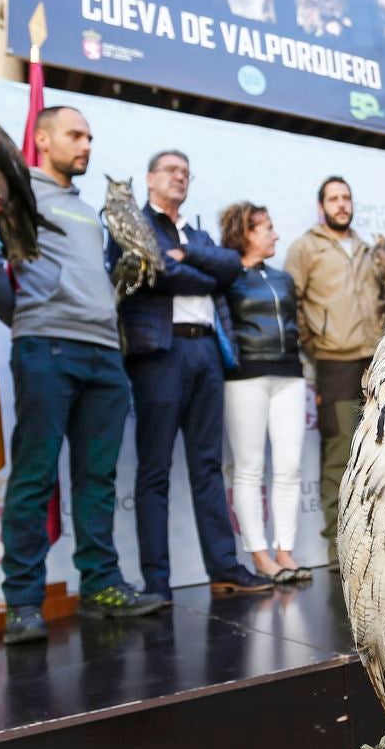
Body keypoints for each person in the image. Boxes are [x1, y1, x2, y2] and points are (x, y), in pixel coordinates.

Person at [0, 107, 165, 644]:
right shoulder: (17, 190)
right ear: (42, 139)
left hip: (103, 353)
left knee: (97, 479)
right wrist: (28, 313)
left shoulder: (87, 211)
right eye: (75, 135)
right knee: (34, 475)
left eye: (90, 137)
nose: (86, 145)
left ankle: (101, 587)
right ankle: (23, 602)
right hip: (46, 346)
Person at [115, 150, 273, 604]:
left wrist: (191, 258)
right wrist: (201, 271)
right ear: (149, 178)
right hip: (159, 353)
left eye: (186, 171)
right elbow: (157, 272)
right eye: (171, 170)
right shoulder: (133, 223)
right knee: (155, 469)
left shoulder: (198, 234)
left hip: (207, 351)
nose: (180, 177)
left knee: (207, 467)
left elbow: (231, 266)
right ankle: (157, 583)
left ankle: (225, 568)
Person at [284, 176, 385, 563]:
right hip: (333, 363)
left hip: (377, 364)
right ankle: (341, 550)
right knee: (339, 455)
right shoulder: (305, 247)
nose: (340, 204)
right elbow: (291, 301)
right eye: (333, 199)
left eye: (346, 197)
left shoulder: (371, 249)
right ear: (321, 207)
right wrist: (315, 343)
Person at [219, 202, 311, 583]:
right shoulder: (225, 278)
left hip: (290, 374)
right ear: (245, 233)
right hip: (244, 377)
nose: (275, 235)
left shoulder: (284, 279)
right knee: (249, 467)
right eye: (266, 228)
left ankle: (284, 553)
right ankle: (259, 556)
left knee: (289, 467)